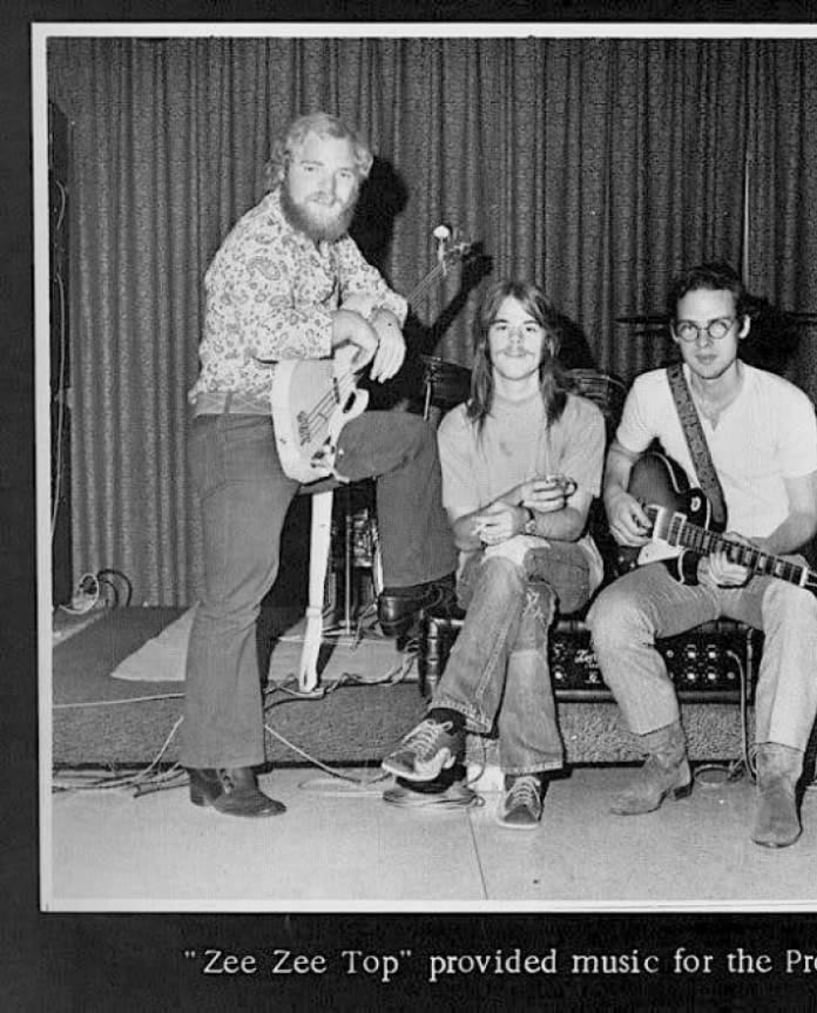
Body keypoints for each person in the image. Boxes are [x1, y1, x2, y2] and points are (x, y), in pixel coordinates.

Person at [182, 112, 458, 817]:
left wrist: (386, 321)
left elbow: (378, 292)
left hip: (308, 419)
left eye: (345, 176)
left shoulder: (328, 242)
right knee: (236, 595)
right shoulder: (255, 240)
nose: (331, 188)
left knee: (409, 439)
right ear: (282, 171)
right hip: (240, 422)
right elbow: (259, 330)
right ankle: (223, 764)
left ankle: (411, 587)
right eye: (315, 169)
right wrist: (342, 325)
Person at [586, 262, 817, 848]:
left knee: (803, 607)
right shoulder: (651, 392)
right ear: (674, 333)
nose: (703, 343)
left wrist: (758, 548)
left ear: (743, 327)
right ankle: (666, 759)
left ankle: (776, 780)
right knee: (611, 617)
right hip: (686, 564)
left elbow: (806, 515)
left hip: (764, 564)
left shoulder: (786, 404)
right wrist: (616, 496)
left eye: (717, 326)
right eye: (689, 330)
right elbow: (620, 459)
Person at [381, 280, 606, 829]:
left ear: (549, 342)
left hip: (569, 561)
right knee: (520, 593)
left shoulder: (580, 418)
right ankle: (525, 775)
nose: (515, 340)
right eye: (502, 326)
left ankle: (445, 717)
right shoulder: (459, 425)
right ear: (484, 340)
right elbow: (461, 534)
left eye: (529, 328)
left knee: (512, 551)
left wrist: (523, 520)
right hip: (484, 573)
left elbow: (573, 523)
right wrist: (515, 499)